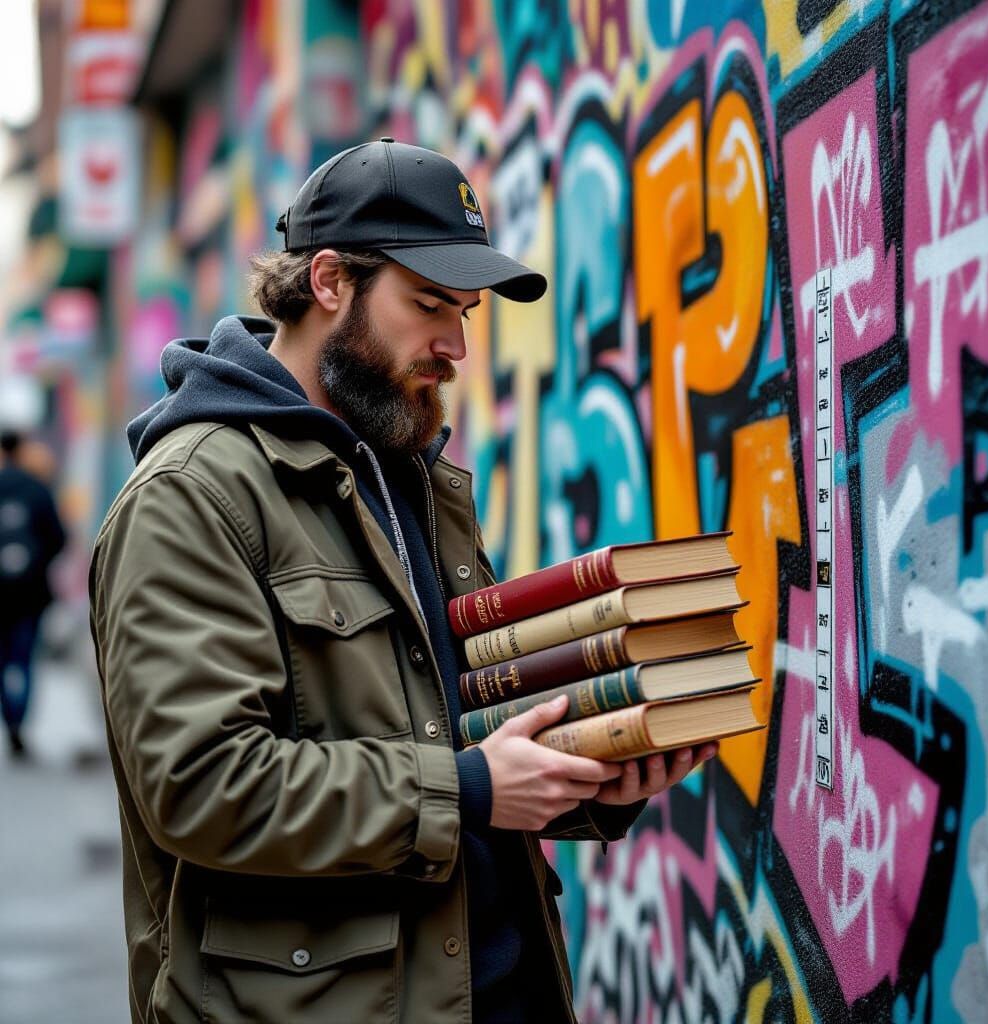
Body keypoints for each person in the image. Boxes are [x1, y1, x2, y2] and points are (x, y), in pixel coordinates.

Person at [89, 139, 718, 1023]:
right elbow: (202, 784)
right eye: (429, 305)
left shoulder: (410, 472)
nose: (456, 345)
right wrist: (467, 789)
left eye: (464, 311)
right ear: (330, 281)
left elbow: (450, 731)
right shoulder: (193, 493)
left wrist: (587, 779)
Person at [0, 430, 65, 757]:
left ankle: (8, 715)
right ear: (22, 450)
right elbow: (59, 538)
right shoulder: (36, 489)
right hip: (30, 592)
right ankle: (18, 723)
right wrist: (37, 563)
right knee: (24, 659)